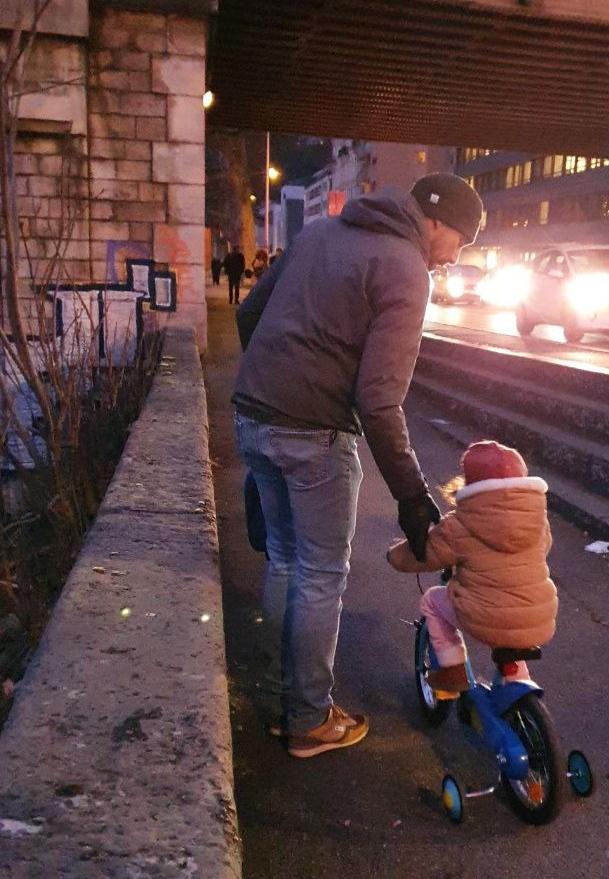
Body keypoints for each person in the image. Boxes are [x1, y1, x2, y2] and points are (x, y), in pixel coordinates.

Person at [232, 172, 483, 758]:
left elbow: (249, 316)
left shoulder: (319, 233)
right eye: (460, 241)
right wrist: (412, 495)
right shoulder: (406, 268)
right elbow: (378, 401)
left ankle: (286, 699)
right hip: (314, 436)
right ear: (437, 222)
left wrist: (275, 393)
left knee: (286, 561)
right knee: (320, 576)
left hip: (253, 416)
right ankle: (307, 720)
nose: (454, 256)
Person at [387, 440, 558, 693]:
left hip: (485, 616)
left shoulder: (461, 524)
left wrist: (393, 556)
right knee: (511, 632)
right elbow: (544, 547)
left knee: (433, 601)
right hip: (539, 616)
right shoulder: (538, 521)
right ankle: (518, 684)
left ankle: (453, 670)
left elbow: (426, 555)